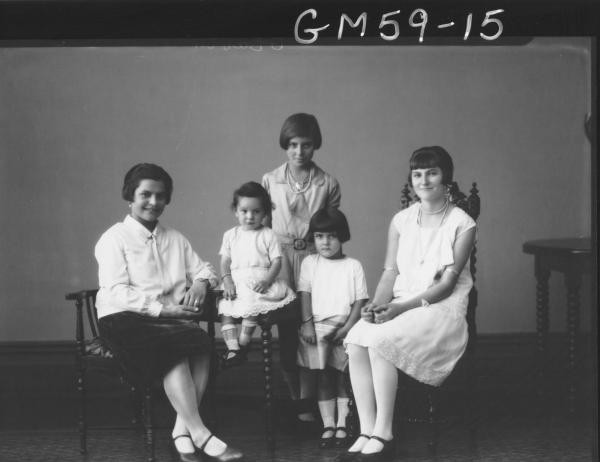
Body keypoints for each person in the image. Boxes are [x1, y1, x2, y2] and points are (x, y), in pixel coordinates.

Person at [95, 163, 244, 462]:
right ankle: (200, 432)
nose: (153, 202)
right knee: (175, 347)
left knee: (201, 343)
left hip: (169, 321)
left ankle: (181, 429)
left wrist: (201, 282)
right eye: (145, 195)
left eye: (160, 196)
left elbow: (204, 268)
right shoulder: (115, 238)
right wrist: (164, 310)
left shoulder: (174, 238)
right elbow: (116, 292)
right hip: (123, 319)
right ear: (130, 196)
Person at [340, 146, 476, 461]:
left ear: (447, 179)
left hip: (440, 307)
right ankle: (365, 429)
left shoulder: (463, 223)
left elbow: (446, 285)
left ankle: (384, 431)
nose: (424, 180)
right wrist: (377, 305)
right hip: (401, 301)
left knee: (381, 341)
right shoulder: (401, 220)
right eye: (417, 174)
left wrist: (398, 309)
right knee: (357, 338)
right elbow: (391, 271)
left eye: (432, 173)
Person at [262, 112, 341, 429]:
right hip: (280, 260)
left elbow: (331, 232)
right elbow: (262, 230)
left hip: (312, 260)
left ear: (314, 146)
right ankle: (296, 399)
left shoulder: (328, 183)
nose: (299, 152)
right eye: (293, 145)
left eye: (306, 145)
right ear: (286, 144)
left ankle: (312, 400)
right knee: (286, 330)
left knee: (312, 330)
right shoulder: (270, 180)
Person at [296, 208, 368, 449]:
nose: (325, 242)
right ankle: (328, 423)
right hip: (317, 326)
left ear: (342, 236)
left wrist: (348, 327)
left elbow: (360, 301)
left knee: (342, 376)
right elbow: (304, 293)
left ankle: (342, 422)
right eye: (319, 236)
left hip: (345, 326)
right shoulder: (310, 263)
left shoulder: (353, 266)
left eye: (331, 236)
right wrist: (306, 324)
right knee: (324, 376)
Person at [218, 181, 296, 367]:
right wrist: (227, 280)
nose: (250, 216)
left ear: (265, 213)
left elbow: (277, 261)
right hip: (236, 281)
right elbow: (225, 262)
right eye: (244, 211)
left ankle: (243, 345)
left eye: (256, 211)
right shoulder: (231, 235)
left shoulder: (268, 234)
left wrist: (268, 281)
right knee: (226, 308)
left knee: (252, 301)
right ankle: (233, 349)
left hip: (260, 279)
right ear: (236, 211)